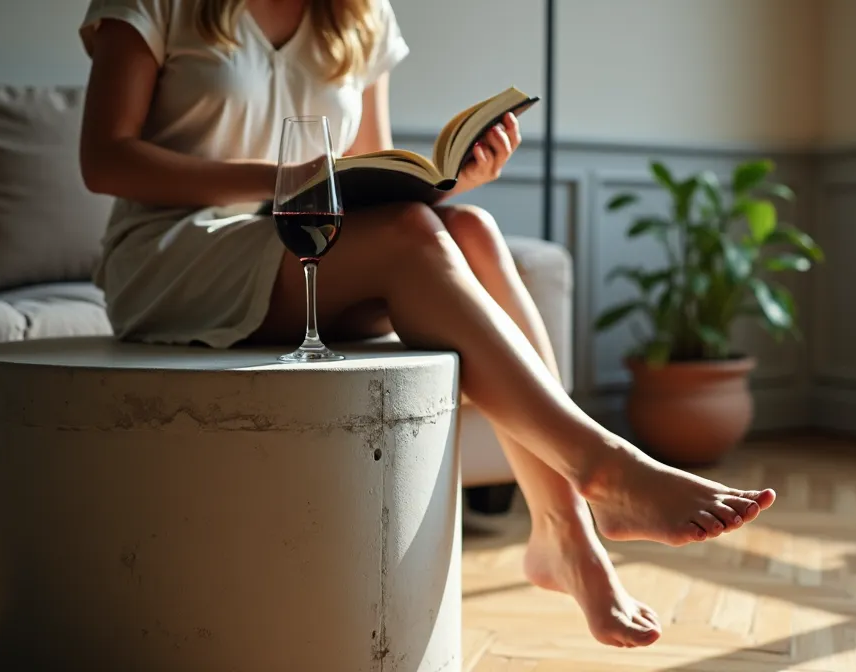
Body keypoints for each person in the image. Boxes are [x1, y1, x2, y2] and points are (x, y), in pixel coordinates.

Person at [78, 0, 775, 648]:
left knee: (468, 226)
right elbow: (103, 158)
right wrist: (281, 179)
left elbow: (366, 172)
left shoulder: (359, 12)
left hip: (304, 244)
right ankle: (601, 467)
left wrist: (446, 182)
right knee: (419, 235)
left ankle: (564, 534)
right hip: (176, 253)